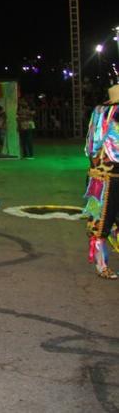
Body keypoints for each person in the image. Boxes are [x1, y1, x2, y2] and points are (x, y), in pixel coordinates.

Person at [83, 84, 119, 279]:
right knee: (102, 221)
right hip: (106, 178)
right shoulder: (105, 121)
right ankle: (101, 264)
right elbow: (95, 150)